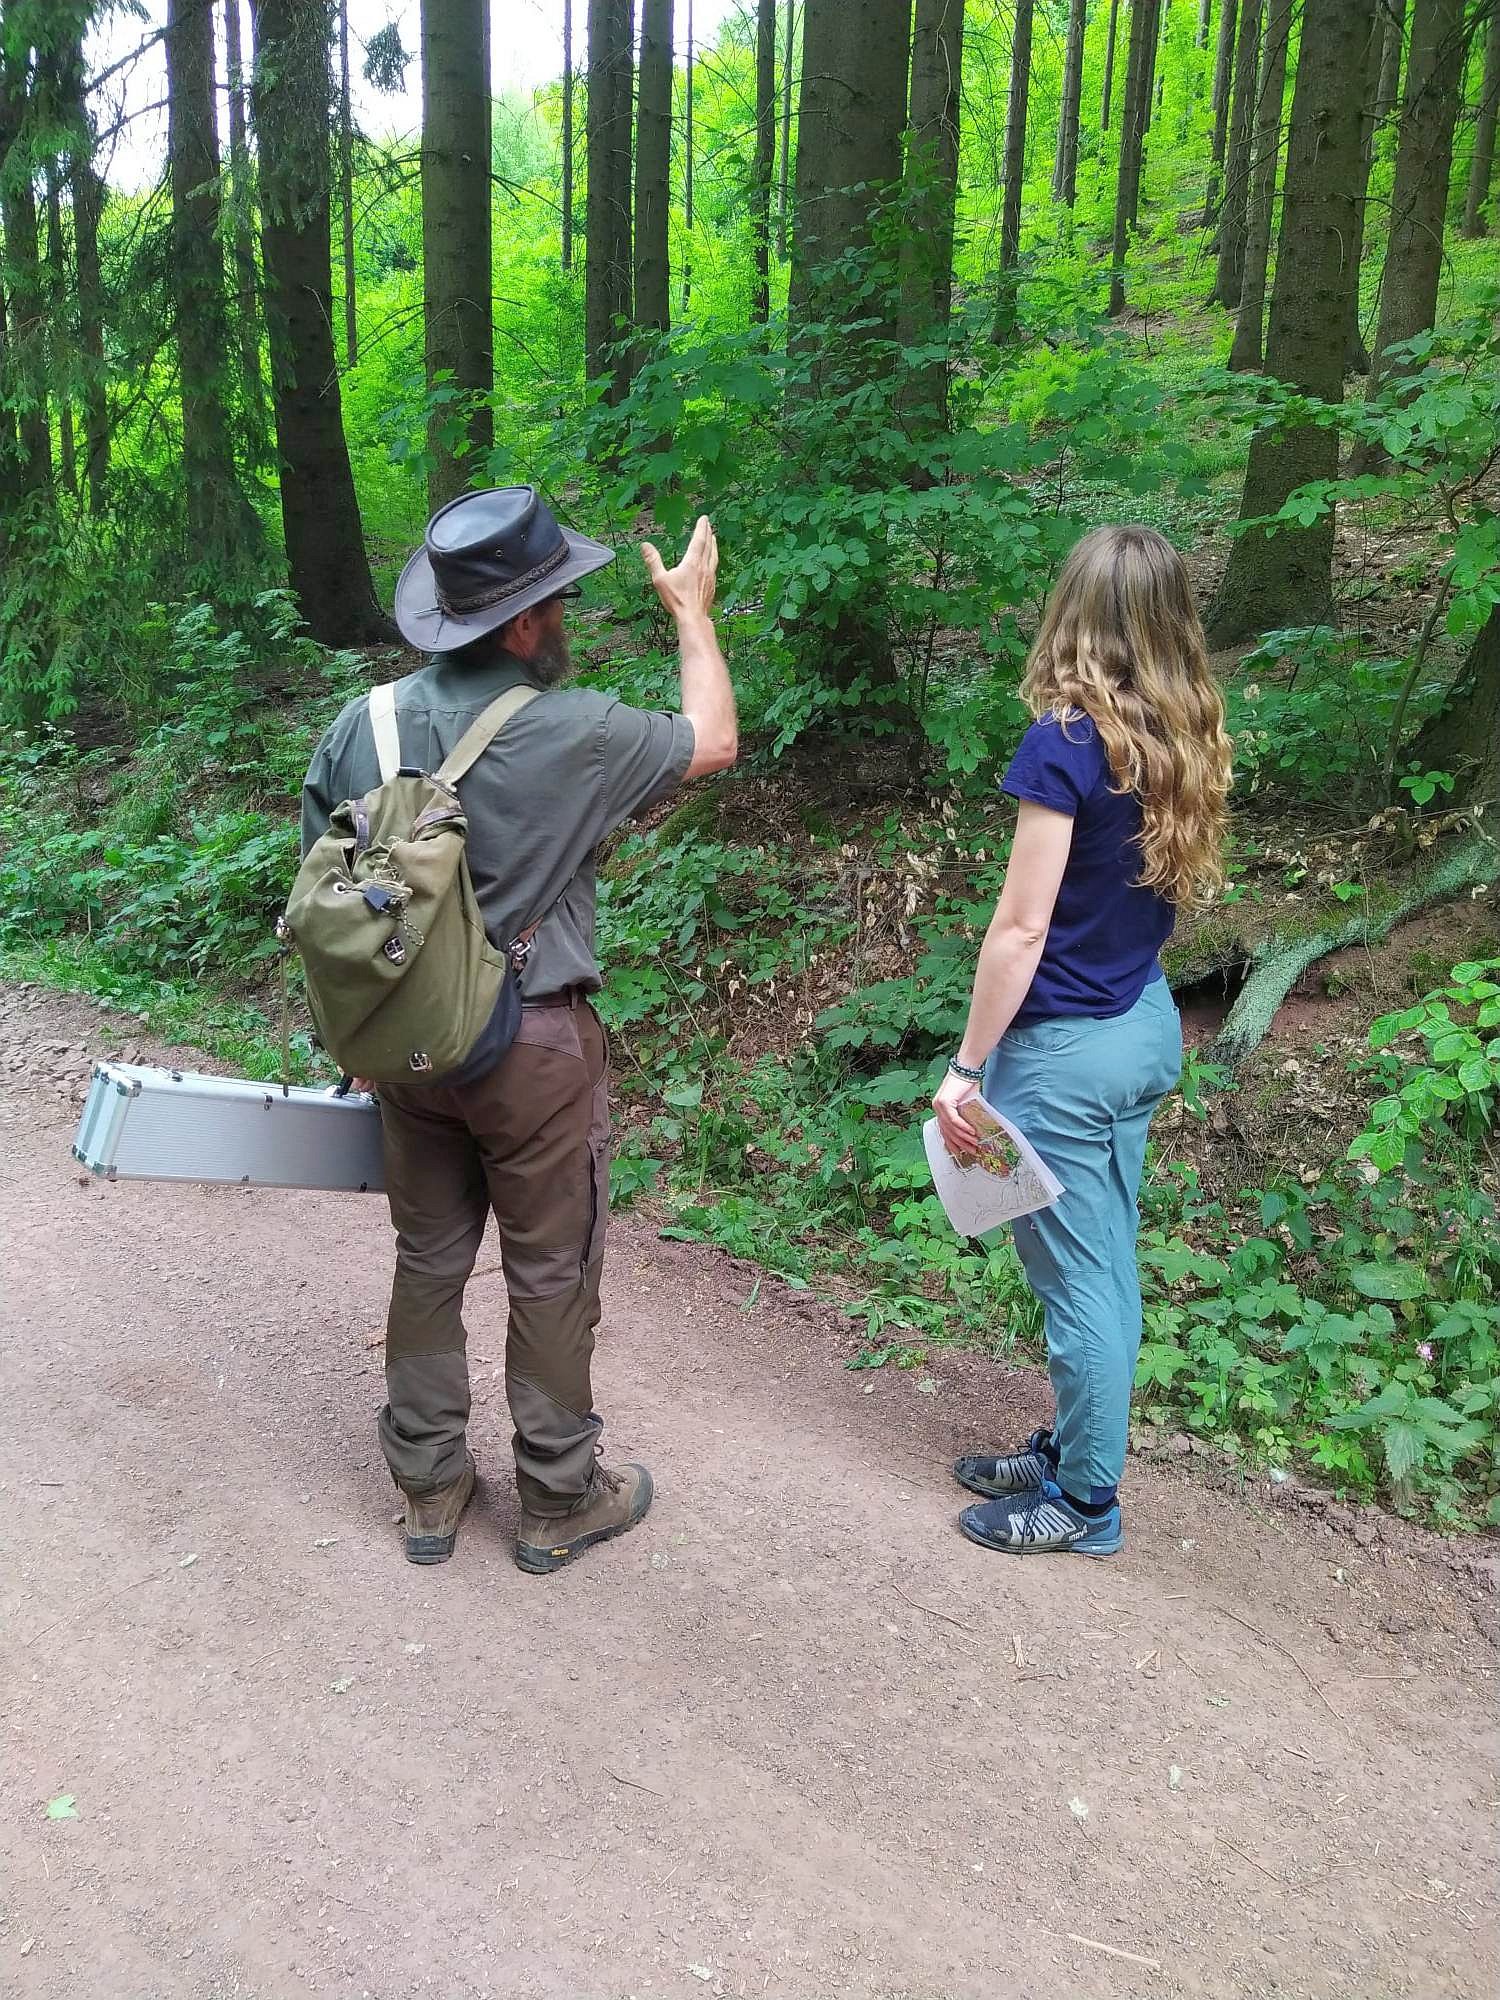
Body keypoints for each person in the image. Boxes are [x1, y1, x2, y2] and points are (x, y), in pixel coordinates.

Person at [301, 487, 736, 1573]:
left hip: (407, 1050)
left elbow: (323, 902)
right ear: (526, 622)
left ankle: (428, 1487)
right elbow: (715, 738)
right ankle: (557, 1497)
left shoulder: (363, 724)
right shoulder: (577, 730)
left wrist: (358, 1037)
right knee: (550, 1269)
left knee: (427, 1256)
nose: (566, 620)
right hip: (534, 1046)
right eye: (560, 603)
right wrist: (691, 613)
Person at [931, 524, 1231, 1557]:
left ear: (1073, 613)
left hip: (1067, 1051)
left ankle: (1086, 1503)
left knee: (1080, 1279)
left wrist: (966, 1068)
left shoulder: (1066, 741)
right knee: (1102, 1258)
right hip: (1141, 1021)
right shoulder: (1179, 732)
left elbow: (1020, 929)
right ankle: (1072, 1448)